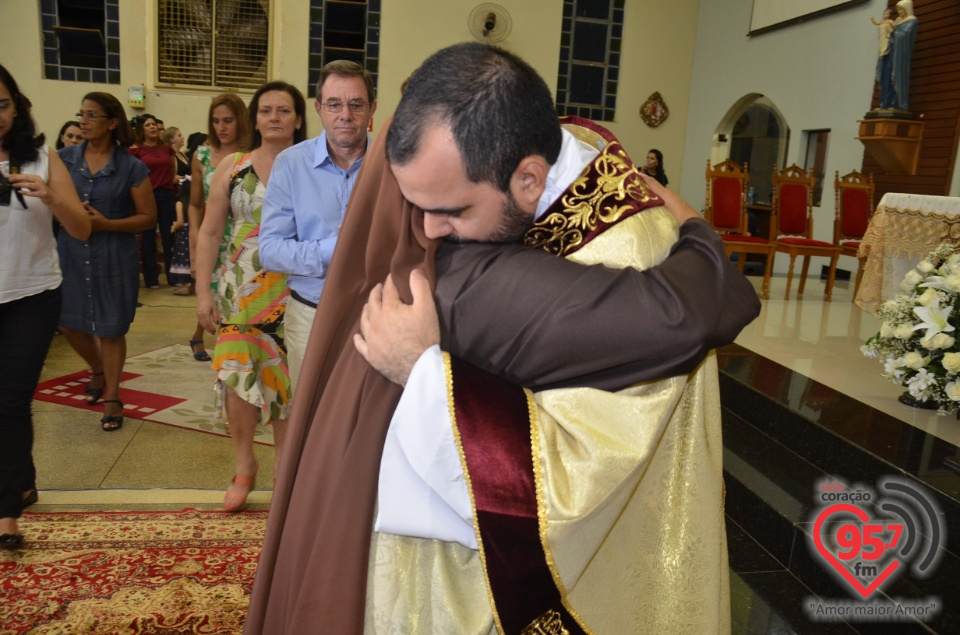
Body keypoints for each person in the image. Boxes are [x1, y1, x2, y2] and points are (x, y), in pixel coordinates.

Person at [246, 43, 759, 633]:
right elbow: (698, 307)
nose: (431, 231)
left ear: (531, 178)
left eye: (453, 210)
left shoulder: (580, 243)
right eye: (419, 207)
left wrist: (423, 374)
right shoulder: (463, 244)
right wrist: (698, 230)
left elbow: (677, 319)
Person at [194, 81, 304, 511]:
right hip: (238, 287)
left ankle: (284, 473)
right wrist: (203, 292)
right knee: (237, 378)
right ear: (254, 118)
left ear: (298, 118)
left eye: (283, 110)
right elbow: (209, 231)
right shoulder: (233, 167)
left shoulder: (311, 165)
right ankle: (244, 466)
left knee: (284, 383)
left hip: (293, 286)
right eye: (265, 110)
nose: (273, 117)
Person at [0, 65, 91, 550]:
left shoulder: (39, 155)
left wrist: (52, 196)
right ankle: (19, 480)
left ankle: (7, 511)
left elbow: (81, 228)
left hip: (31, 294)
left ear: (17, 106)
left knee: (11, 402)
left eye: (2, 104)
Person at [260, 60, 376, 396]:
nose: (345, 114)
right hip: (311, 317)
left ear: (372, 109)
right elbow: (270, 250)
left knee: (369, 420)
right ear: (318, 109)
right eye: (334, 104)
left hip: (375, 317)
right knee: (310, 420)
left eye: (356, 104)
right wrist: (335, 247)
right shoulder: (291, 165)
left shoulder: (394, 164)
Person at [58, 93, 156, 432]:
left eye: (92, 115)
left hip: (114, 254)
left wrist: (106, 225)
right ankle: (98, 369)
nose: (83, 121)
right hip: (70, 253)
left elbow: (147, 218)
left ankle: (113, 395)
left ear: (112, 122)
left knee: (111, 329)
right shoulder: (63, 160)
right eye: (81, 114)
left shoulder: (131, 166)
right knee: (69, 323)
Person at [187, 95, 248, 363]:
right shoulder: (202, 156)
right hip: (211, 236)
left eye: (228, 120)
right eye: (216, 121)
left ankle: (227, 345)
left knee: (232, 297)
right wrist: (193, 234)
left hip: (241, 238)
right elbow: (193, 203)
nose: (221, 127)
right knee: (210, 293)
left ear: (240, 121)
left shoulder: (251, 154)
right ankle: (205, 336)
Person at [129, 114, 177, 289]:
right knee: (148, 238)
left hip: (166, 195)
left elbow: (172, 173)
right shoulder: (136, 150)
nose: (152, 127)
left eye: (154, 124)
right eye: (148, 125)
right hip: (147, 196)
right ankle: (151, 278)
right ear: (142, 129)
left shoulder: (167, 149)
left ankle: (173, 277)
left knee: (168, 237)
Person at [164, 126, 194, 293]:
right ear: (171, 139)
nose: (182, 138)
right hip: (179, 196)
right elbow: (171, 177)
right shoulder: (172, 156)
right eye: (179, 135)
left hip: (188, 194)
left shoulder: (183, 155)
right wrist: (186, 179)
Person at [889, 0, 919, 112]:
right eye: (898, 9)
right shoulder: (898, 21)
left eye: (901, 9)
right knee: (889, 76)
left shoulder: (912, 21)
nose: (899, 12)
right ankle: (889, 101)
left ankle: (900, 103)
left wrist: (894, 32)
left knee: (898, 76)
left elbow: (905, 35)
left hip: (902, 55)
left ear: (907, 9)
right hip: (893, 52)